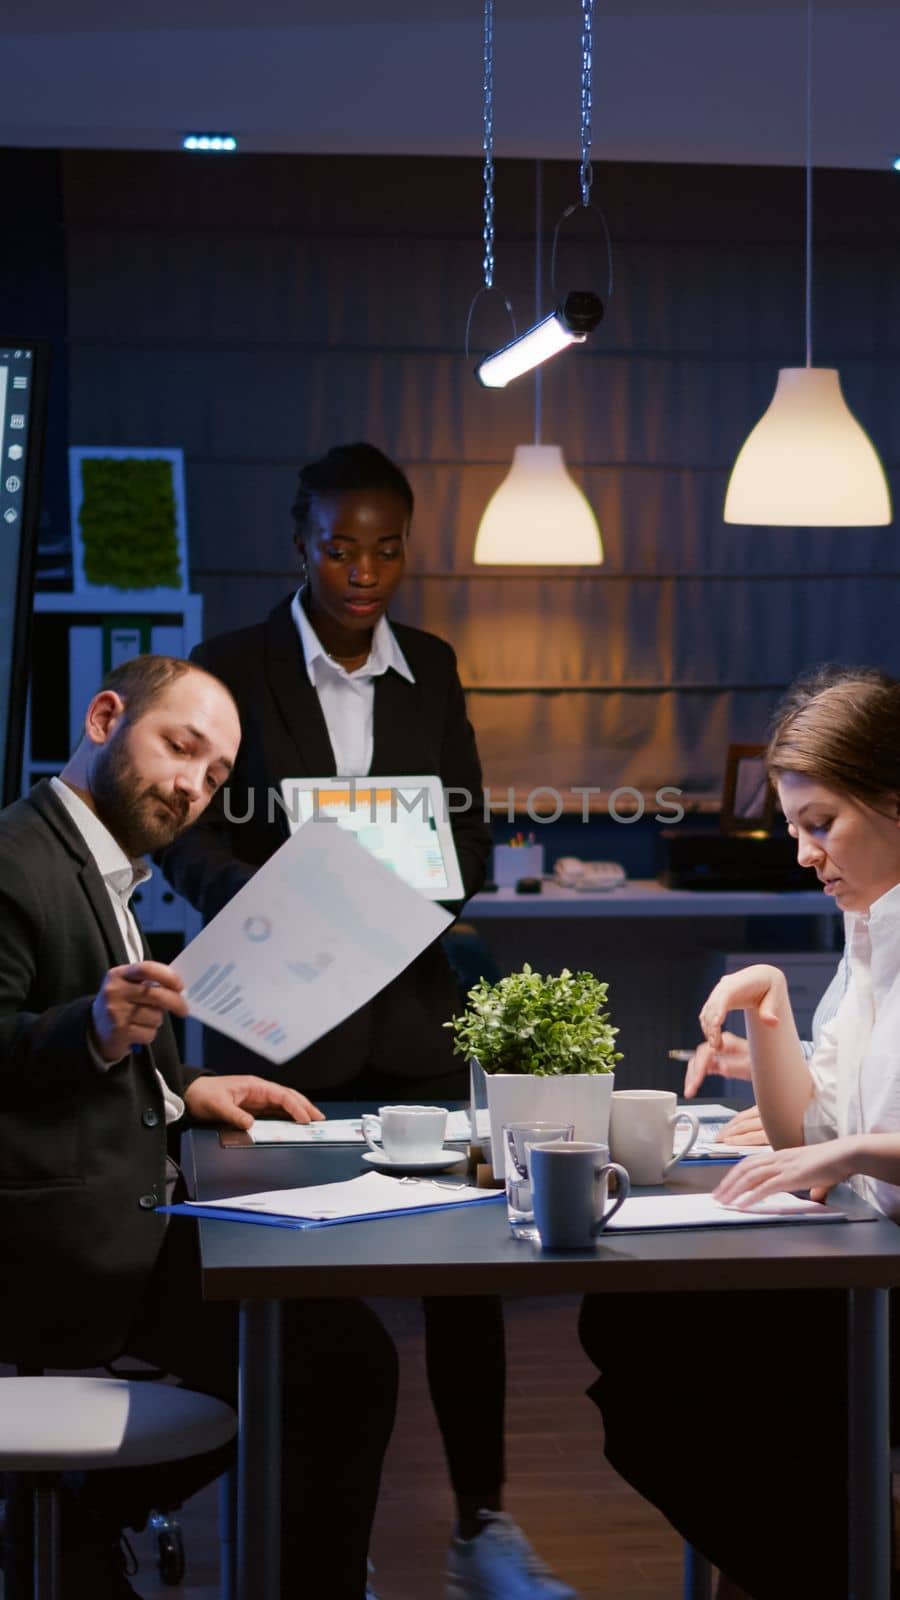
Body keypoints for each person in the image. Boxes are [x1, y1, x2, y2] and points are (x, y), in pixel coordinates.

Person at [159, 442, 576, 1600]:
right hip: (278, 1037)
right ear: (300, 544)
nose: (364, 569)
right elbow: (189, 836)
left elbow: (469, 843)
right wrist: (270, 894)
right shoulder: (231, 666)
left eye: (387, 547)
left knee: (467, 1280)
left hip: (412, 1030)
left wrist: (387, 898)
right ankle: (315, 1550)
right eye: (340, 545)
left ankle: (481, 1529)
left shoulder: (431, 670)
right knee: (298, 1304)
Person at [0, 654, 398, 1600]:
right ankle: (80, 1525)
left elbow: (105, 1022)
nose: (191, 786)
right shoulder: (17, 863)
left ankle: (83, 1526)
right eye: (180, 748)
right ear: (104, 717)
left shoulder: (96, 865)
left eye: (215, 776)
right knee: (335, 1364)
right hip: (52, 1252)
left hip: (108, 1225)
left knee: (330, 1352)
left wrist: (189, 1088)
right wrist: (91, 1033)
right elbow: (62, 1025)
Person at [579, 664, 900, 1600]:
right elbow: (812, 1127)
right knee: (637, 1326)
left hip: (884, 1279)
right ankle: (827, 1564)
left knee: (682, 1364)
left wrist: (852, 1152)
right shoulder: (872, 930)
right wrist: (770, 1011)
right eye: (798, 827)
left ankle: (829, 1568)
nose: (803, 853)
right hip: (869, 1260)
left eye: (820, 824)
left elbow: (834, 1146)